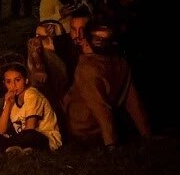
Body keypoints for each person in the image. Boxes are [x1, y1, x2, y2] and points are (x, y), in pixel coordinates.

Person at [62, 18, 151, 148]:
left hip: (86, 130)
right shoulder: (117, 63)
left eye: (105, 39)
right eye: (98, 39)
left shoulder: (90, 68)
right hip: (87, 127)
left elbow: (129, 102)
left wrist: (111, 143)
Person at [0, 61, 62, 153]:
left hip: (44, 137)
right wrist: (8, 105)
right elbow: (0, 130)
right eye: (8, 82)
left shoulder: (32, 94)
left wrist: (10, 138)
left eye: (17, 80)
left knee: (29, 135)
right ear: (4, 83)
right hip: (20, 136)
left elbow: (30, 128)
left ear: (26, 80)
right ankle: (16, 148)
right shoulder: (11, 97)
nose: (13, 85)